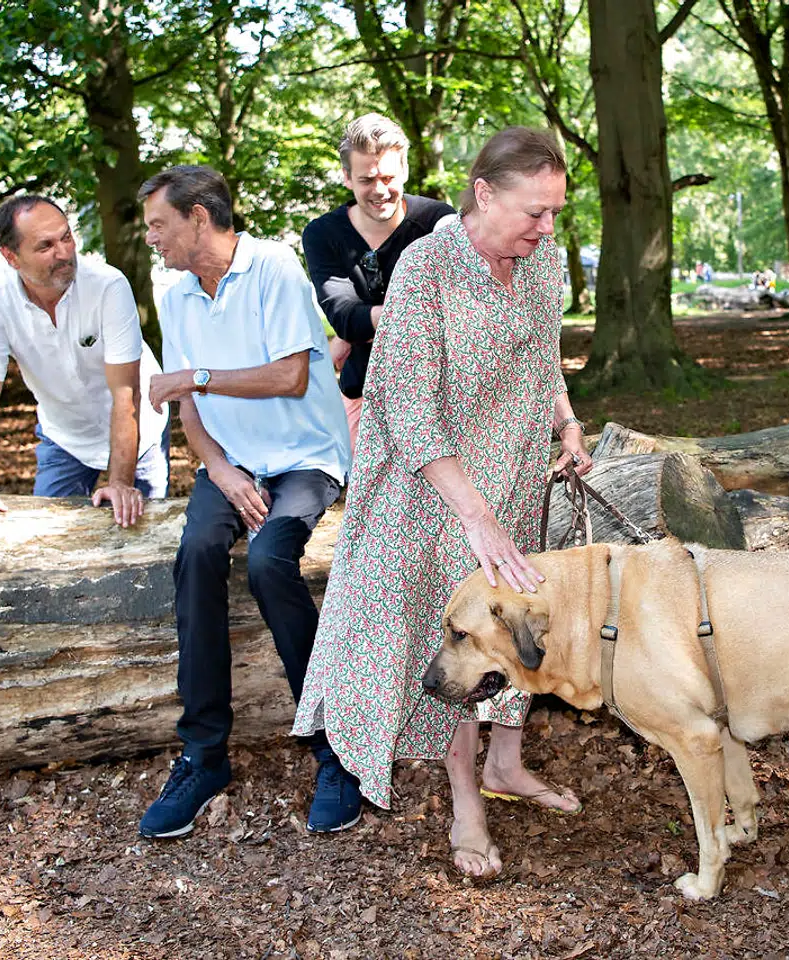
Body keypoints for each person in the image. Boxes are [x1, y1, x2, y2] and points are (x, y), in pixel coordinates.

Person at [292, 127, 594, 879]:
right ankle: (468, 798)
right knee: (460, 640)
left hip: (516, 470)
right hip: (436, 490)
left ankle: (507, 763)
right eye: (535, 211)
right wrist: (475, 516)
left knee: (518, 620)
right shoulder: (427, 265)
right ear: (483, 193)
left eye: (556, 212)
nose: (547, 227)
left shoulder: (544, 260)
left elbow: (541, 351)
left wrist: (565, 419)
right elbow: (410, 411)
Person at [136, 165, 354, 839]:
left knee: (267, 563)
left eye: (158, 226)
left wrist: (196, 375)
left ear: (200, 218)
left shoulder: (273, 268)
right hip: (230, 464)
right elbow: (188, 408)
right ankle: (203, 756)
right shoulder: (175, 297)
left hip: (304, 459)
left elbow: (290, 376)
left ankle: (334, 751)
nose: (152, 240)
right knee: (198, 550)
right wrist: (221, 472)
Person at [0, 195, 169, 540]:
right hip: (64, 437)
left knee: (144, 541)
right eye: (45, 246)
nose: (64, 253)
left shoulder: (108, 286)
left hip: (139, 434)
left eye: (66, 237)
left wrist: (120, 483)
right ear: (11, 256)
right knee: (50, 542)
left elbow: (127, 394)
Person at [301, 114, 455, 450]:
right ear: (346, 178)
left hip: (440, 398)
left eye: (388, 176)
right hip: (365, 397)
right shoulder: (323, 234)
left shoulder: (436, 221)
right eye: (367, 180)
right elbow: (342, 315)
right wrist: (416, 312)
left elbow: (458, 301)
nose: (380, 190)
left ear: (405, 172)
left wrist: (366, 323)